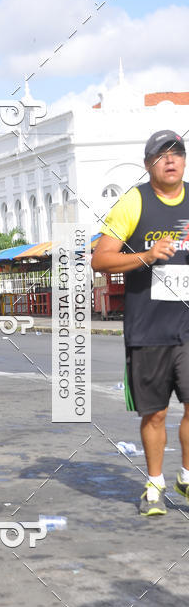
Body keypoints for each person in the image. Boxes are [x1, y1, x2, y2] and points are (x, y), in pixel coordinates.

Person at [92, 129, 189, 517]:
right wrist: (147, 255)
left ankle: (186, 475)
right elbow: (101, 260)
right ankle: (155, 484)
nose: (171, 159)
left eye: (177, 153)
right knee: (157, 413)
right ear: (148, 164)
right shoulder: (134, 202)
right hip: (149, 327)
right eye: (162, 154)